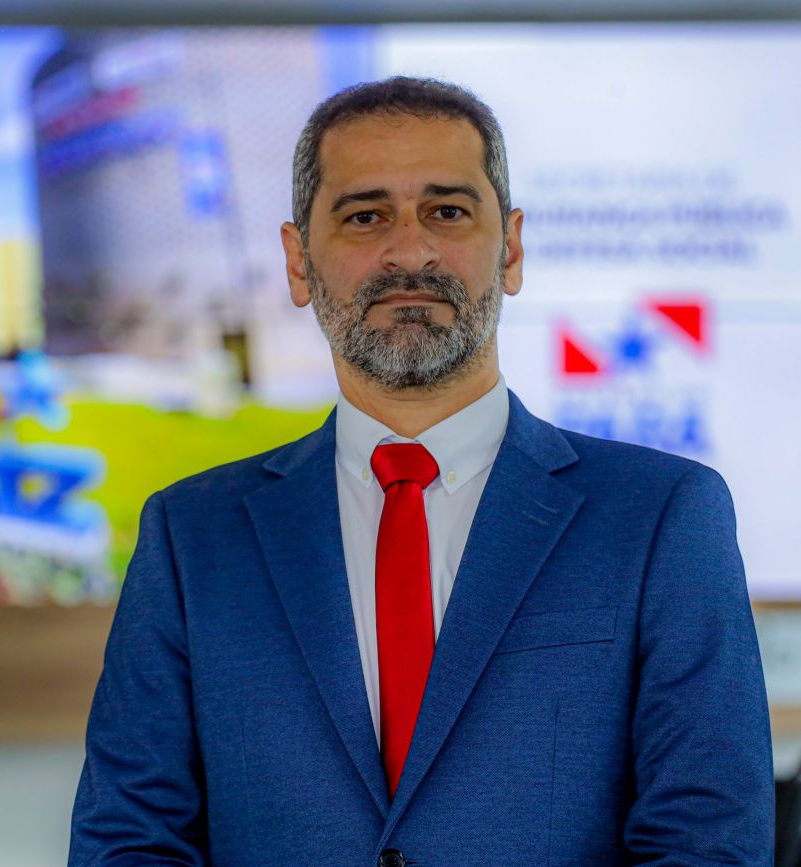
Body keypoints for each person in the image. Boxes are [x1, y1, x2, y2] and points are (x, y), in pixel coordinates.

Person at [68, 76, 773, 866]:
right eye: (365, 216)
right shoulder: (191, 537)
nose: (410, 252)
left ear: (510, 248)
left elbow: (708, 837)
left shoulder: (662, 515)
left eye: (447, 212)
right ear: (298, 262)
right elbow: (129, 836)